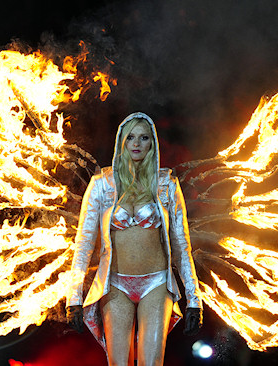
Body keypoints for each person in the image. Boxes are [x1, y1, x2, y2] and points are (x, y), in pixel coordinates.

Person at [65, 112, 202, 366]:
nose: (137, 144)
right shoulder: (101, 185)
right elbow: (83, 244)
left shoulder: (167, 184)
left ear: (152, 143)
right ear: (122, 142)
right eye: (131, 138)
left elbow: (182, 245)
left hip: (157, 283)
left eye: (144, 138)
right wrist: (73, 298)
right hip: (115, 285)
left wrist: (194, 300)